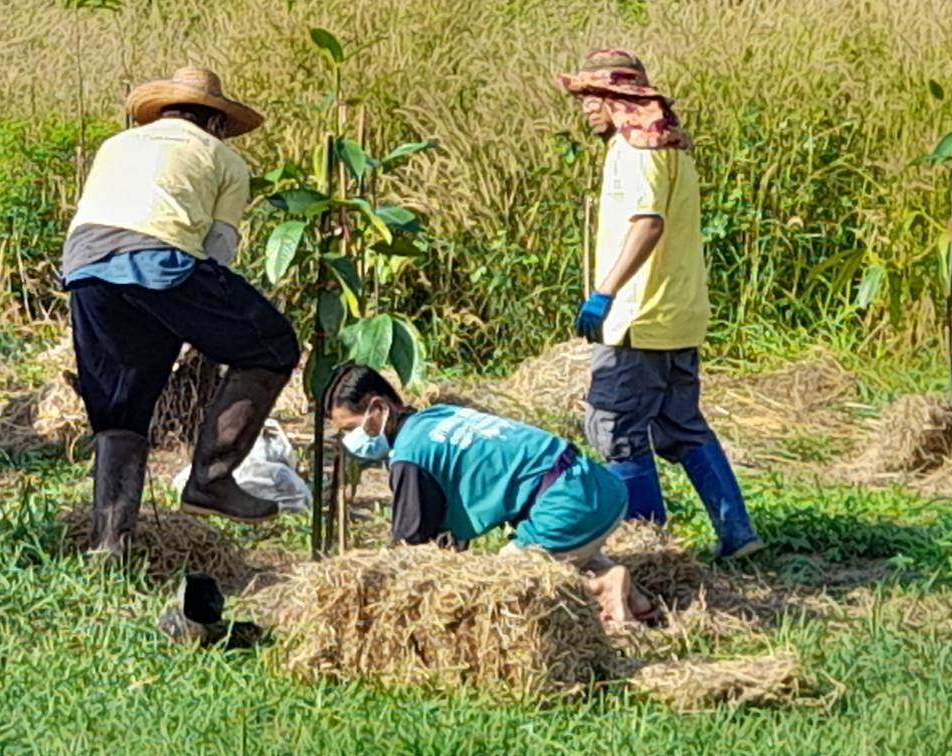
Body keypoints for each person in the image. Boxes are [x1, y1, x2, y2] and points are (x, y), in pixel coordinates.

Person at [61, 67, 301, 556]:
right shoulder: (224, 158)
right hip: (159, 258)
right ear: (215, 122)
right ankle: (211, 480)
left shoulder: (116, 144)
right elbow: (217, 252)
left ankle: (110, 544)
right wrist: (205, 325)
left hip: (84, 265)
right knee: (272, 346)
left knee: (122, 405)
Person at [559, 49, 763, 559]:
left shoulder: (635, 152)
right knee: (680, 424)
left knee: (615, 426)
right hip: (679, 313)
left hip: (638, 316)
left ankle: (650, 548)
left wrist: (605, 292)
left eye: (594, 97)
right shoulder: (674, 150)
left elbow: (648, 223)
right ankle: (737, 533)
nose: (586, 108)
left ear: (620, 100)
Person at [327, 363, 653, 624]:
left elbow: (410, 549)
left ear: (379, 408)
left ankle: (596, 589)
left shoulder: (410, 456)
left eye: (351, 428)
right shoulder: (437, 415)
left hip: (567, 506)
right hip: (599, 489)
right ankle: (626, 592)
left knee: (499, 584)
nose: (351, 440)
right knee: (562, 554)